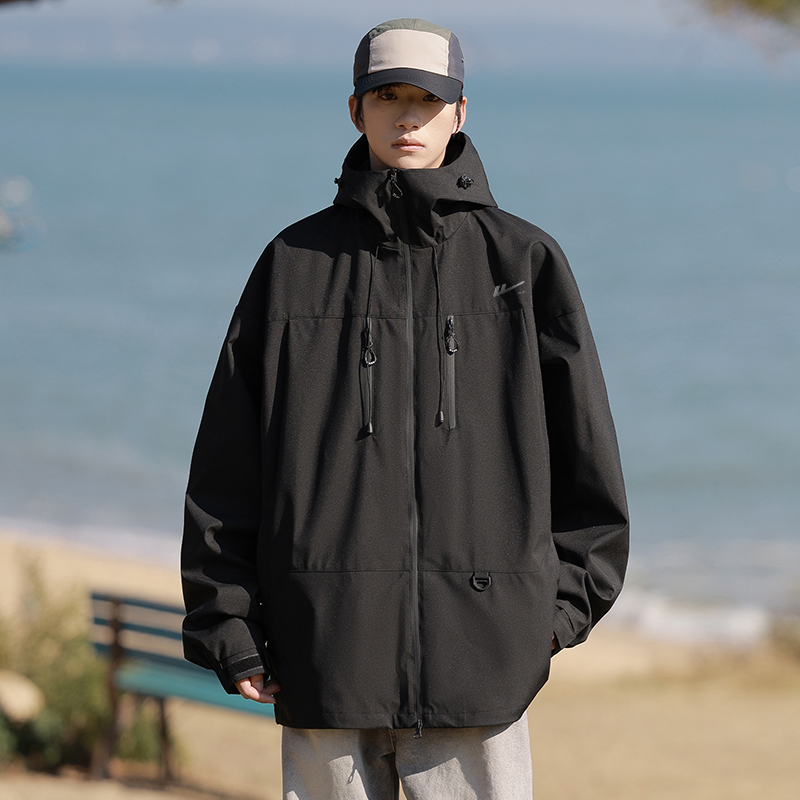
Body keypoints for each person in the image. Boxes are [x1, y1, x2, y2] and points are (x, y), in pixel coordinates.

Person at [181, 17, 629, 800]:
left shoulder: (525, 263)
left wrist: (545, 623)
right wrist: (229, 623)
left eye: (427, 99)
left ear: (461, 111)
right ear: (356, 110)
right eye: (387, 97)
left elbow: (588, 468)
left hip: (482, 674)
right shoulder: (292, 265)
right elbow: (228, 465)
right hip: (323, 658)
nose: (408, 117)